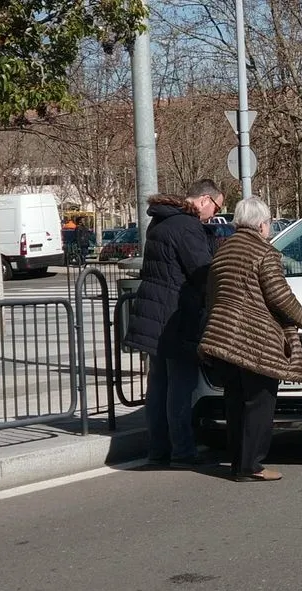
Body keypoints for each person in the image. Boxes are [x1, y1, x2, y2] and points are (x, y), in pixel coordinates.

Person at [198, 196, 302, 482]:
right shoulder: (263, 252)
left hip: (223, 338)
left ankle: (238, 463)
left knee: (235, 402)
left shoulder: (223, 252)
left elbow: (211, 297)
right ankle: (252, 466)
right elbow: (278, 295)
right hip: (254, 338)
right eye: (269, 222)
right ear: (262, 224)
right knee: (260, 402)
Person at [123, 179, 224, 468]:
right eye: (216, 208)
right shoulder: (186, 226)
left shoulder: (160, 221)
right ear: (205, 200)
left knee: (159, 386)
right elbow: (201, 271)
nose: (214, 215)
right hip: (176, 316)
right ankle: (182, 451)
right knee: (181, 386)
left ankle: (158, 449)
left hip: (154, 315)